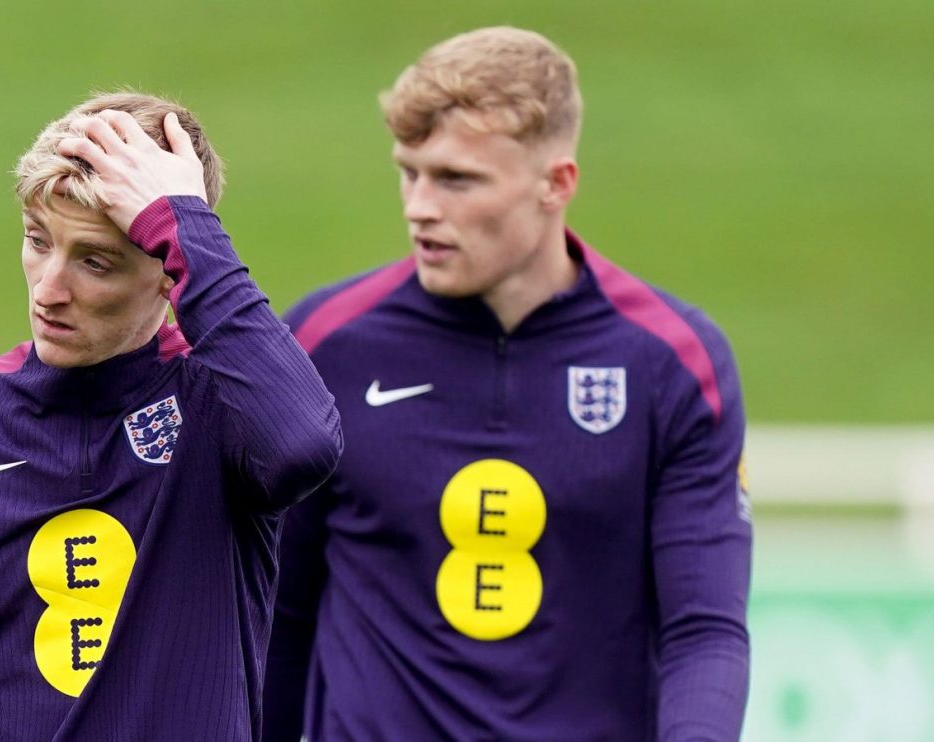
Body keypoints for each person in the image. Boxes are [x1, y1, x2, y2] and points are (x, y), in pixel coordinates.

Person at [0, 92, 342, 741]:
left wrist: (187, 221)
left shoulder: (223, 408)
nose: (49, 288)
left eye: (94, 261)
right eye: (38, 241)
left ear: (170, 270)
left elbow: (304, 444)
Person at [263, 27, 752, 742]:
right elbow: (279, 617)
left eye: (457, 179)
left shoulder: (675, 363)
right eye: (410, 171)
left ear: (556, 184)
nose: (419, 206)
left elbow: (703, 630)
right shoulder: (323, 344)